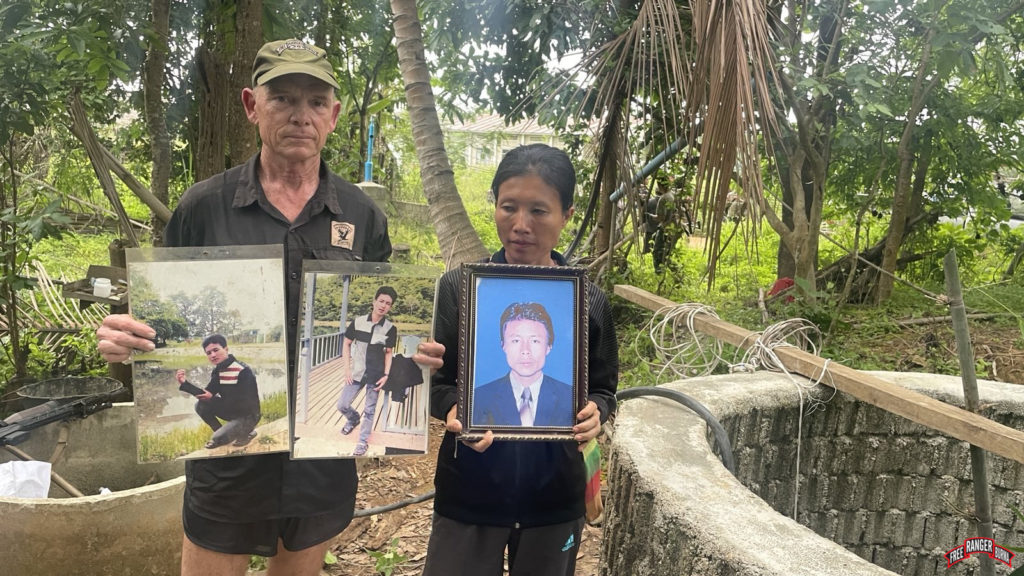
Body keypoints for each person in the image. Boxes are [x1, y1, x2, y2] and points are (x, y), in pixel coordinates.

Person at [95, 38, 442, 576]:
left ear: (334, 114)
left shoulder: (362, 215)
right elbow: (154, 330)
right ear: (251, 106)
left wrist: (416, 354)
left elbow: (390, 324)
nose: (299, 115)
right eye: (281, 98)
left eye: (314, 101)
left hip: (321, 460)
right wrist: (127, 345)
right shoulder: (202, 209)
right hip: (231, 459)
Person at [424, 143, 619, 576]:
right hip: (470, 493)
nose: (520, 225)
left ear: (567, 214)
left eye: (539, 211)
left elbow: (604, 387)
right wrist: (455, 410)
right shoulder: (460, 290)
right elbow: (437, 384)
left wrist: (596, 412)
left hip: (555, 497)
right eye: (508, 207)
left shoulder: (588, 301)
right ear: (494, 205)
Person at [472, 301, 574, 428]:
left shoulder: (571, 397)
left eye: (535, 341)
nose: (525, 350)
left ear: (548, 346)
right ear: (503, 345)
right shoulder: (478, 398)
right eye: (516, 340)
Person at [336, 285, 398, 456]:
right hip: (356, 372)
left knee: (370, 410)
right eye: (381, 301)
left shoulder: (390, 329)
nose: (383, 305)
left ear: (390, 307)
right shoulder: (358, 322)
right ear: (374, 301)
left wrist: (386, 375)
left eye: (388, 303)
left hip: (376, 375)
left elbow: (389, 353)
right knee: (342, 405)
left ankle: (362, 442)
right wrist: (346, 369)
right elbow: (346, 344)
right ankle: (353, 419)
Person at [176, 334, 261, 449]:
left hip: (248, 415)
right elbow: (206, 394)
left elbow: (248, 406)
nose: (213, 355)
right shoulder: (218, 371)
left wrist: (216, 400)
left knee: (217, 439)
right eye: (209, 353)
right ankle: (223, 431)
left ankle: (247, 432)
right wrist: (185, 384)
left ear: (226, 349)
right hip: (232, 411)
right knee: (200, 405)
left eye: (216, 350)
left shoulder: (243, 371)